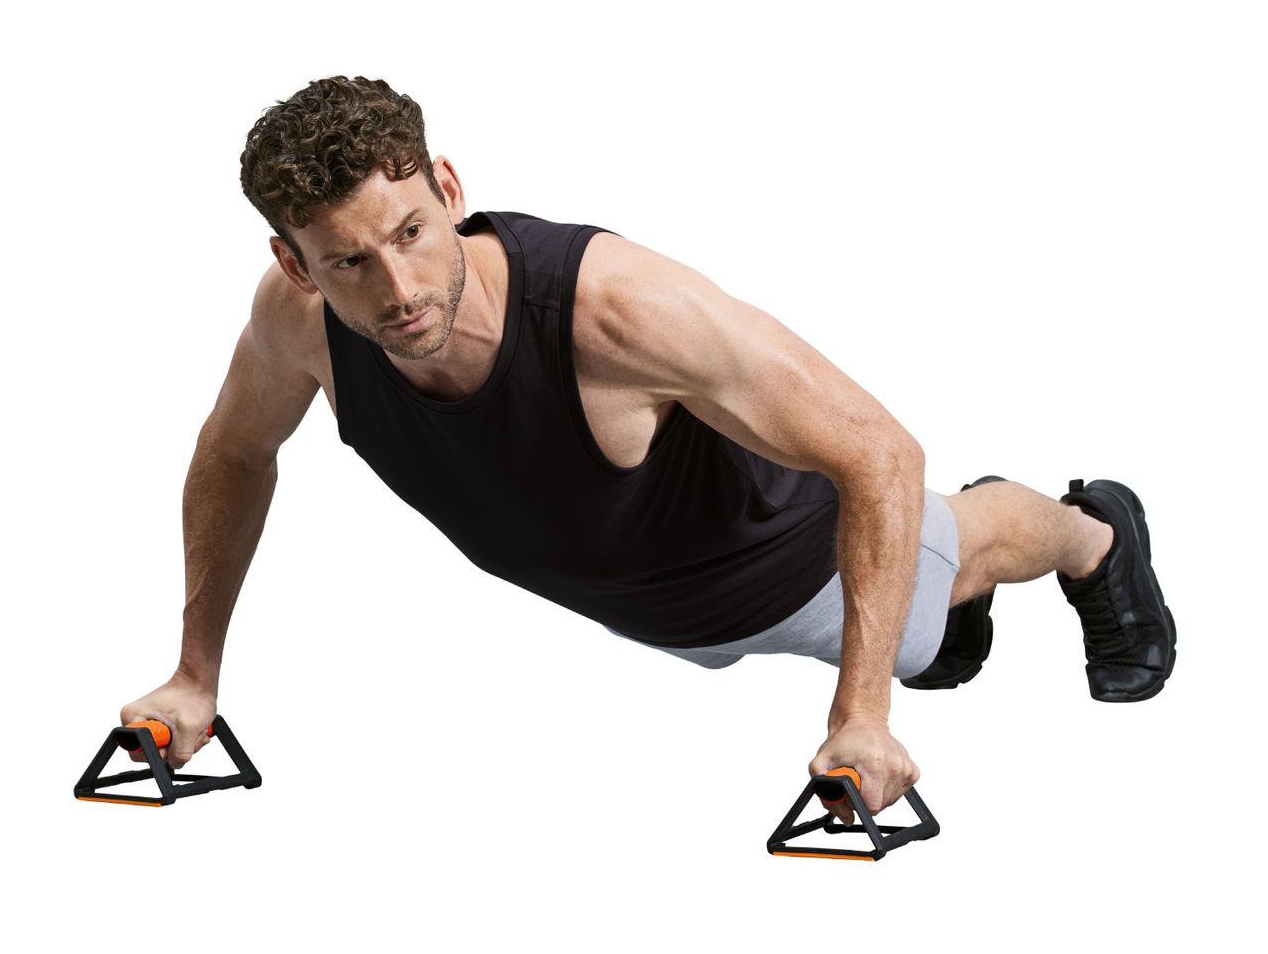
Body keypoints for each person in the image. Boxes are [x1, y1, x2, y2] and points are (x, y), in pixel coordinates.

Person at [119, 75, 1177, 825]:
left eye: (407, 233)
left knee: (941, 574)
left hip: (788, 562)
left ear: (447, 184)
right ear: (292, 262)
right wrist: (193, 674)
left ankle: (1091, 530)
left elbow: (879, 451)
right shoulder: (293, 322)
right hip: (659, 607)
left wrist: (861, 716)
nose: (394, 292)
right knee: (934, 630)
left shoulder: (613, 309)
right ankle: (939, 604)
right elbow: (232, 455)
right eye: (347, 262)